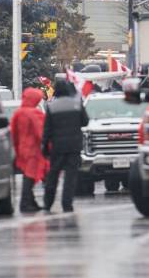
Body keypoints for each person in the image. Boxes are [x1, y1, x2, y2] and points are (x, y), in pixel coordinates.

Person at [41, 78, 89, 213]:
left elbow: (47, 129)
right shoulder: (77, 104)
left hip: (58, 147)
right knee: (70, 177)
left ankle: (47, 203)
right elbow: (85, 122)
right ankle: (67, 204)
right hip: (74, 146)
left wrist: (44, 145)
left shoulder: (51, 107)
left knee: (53, 175)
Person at [10, 88, 48, 213]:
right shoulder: (35, 113)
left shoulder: (18, 113)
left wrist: (16, 147)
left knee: (28, 174)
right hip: (33, 149)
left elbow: (13, 132)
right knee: (30, 176)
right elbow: (41, 133)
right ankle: (25, 203)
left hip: (22, 148)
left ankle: (31, 202)